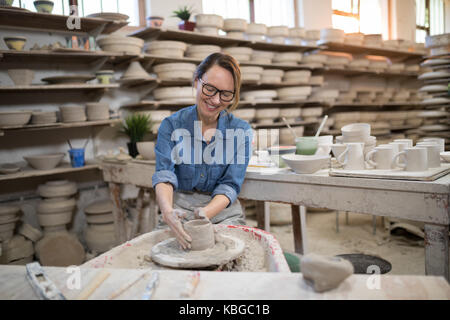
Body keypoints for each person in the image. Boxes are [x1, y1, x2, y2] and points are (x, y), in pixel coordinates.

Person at [151, 52, 253, 250]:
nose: (215, 100)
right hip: (179, 207)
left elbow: (230, 185)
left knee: (232, 258)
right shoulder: (171, 126)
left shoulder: (241, 131)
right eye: (210, 89)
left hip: (222, 210)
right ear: (197, 81)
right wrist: (167, 211)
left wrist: (206, 213)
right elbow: (164, 175)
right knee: (165, 257)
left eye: (225, 94)